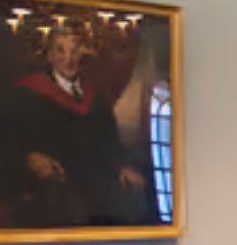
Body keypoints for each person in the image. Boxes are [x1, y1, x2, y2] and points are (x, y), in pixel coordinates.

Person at [0, 26, 154, 229]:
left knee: (136, 194)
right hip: (53, 178)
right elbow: (12, 140)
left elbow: (111, 141)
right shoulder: (27, 94)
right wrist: (29, 157)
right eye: (60, 51)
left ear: (82, 55)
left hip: (95, 175)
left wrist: (123, 166)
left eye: (74, 51)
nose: (68, 58)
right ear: (50, 57)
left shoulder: (97, 98)